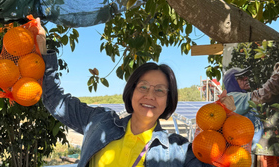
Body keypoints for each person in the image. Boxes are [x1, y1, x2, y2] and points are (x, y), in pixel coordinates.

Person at [36, 21, 233, 167]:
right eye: (143, 87)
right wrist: (43, 50)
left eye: (160, 90)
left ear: (168, 101)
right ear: (131, 92)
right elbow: (55, 99)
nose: (150, 95)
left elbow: (217, 161)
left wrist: (225, 124)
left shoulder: (178, 151)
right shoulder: (99, 122)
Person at [223, 51, 279, 151]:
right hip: (243, 151)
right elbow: (263, 94)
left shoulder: (242, 97)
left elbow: (268, 97)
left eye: (246, 76)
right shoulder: (233, 98)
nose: (246, 78)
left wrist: (277, 74)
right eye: (241, 78)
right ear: (232, 83)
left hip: (250, 148)